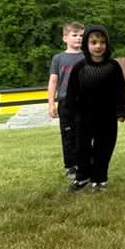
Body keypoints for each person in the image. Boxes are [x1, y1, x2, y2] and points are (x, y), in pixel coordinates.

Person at [64, 25, 125, 192]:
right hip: (83, 116)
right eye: (93, 42)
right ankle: (83, 177)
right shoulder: (80, 67)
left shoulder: (113, 66)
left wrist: (121, 110)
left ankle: (100, 179)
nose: (98, 46)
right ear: (87, 45)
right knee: (82, 148)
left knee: (104, 148)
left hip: (107, 116)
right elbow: (71, 92)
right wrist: (69, 114)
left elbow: (121, 89)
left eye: (102, 42)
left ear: (107, 45)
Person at [47, 22, 85, 180]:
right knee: (68, 134)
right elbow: (53, 81)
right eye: (74, 35)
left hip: (85, 102)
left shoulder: (87, 56)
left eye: (81, 36)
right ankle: (71, 166)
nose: (78, 38)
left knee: (84, 134)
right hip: (65, 102)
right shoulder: (58, 58)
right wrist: (51, 103)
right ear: (65, 38)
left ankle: (85, 163)